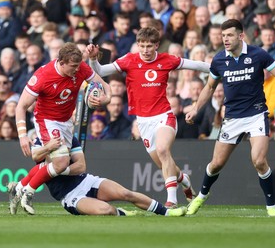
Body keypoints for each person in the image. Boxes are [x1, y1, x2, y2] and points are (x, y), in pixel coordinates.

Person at [185, 19, 275, 217]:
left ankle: (271, 207)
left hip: (257, 114)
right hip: (232, 118)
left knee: (259, 160)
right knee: (216, 164)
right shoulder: (220, 59)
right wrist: (196, 108)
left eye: (229, 35)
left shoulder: (258, 54)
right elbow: (210, 87)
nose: (225, 39)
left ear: (241, 35)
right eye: (223, 36)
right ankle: (202, 196)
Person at [87, 27, 210, 208]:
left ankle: (171, 201)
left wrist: (219, 67)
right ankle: (184, 180)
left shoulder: (167, 60)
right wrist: (92, 59)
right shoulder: (129, 60)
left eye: (149, 46)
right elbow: (100, 71)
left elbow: (196, 65)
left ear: (157, 45)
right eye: (142, 46)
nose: (145, 50)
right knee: (164, 164)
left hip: (164, 115)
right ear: (138, 45)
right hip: (143, 121)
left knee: (162, 150)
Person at [15, 42, 111, 214]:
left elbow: (105, 86)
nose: (76, 70)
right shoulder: (43, 75)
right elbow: (21, 106)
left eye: (78, 65)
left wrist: (105, 99)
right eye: (73, 66)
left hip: (67, 122)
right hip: (47, 120)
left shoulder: (81, 67)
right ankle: (28, 191)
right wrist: (22, 135)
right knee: (61, 162)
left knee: (77, 166)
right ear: (61, 62)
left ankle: (20, 186)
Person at [7, 135, 186, 216]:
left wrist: (60, 168)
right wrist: (49, 147)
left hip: (86, 181)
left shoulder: (70, 138)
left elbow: (81, 166)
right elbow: (36, 158)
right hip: (70, 197)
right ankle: (122, 213)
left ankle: (167, 212)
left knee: (126, 194)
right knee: (105, 210)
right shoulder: (38, 140)